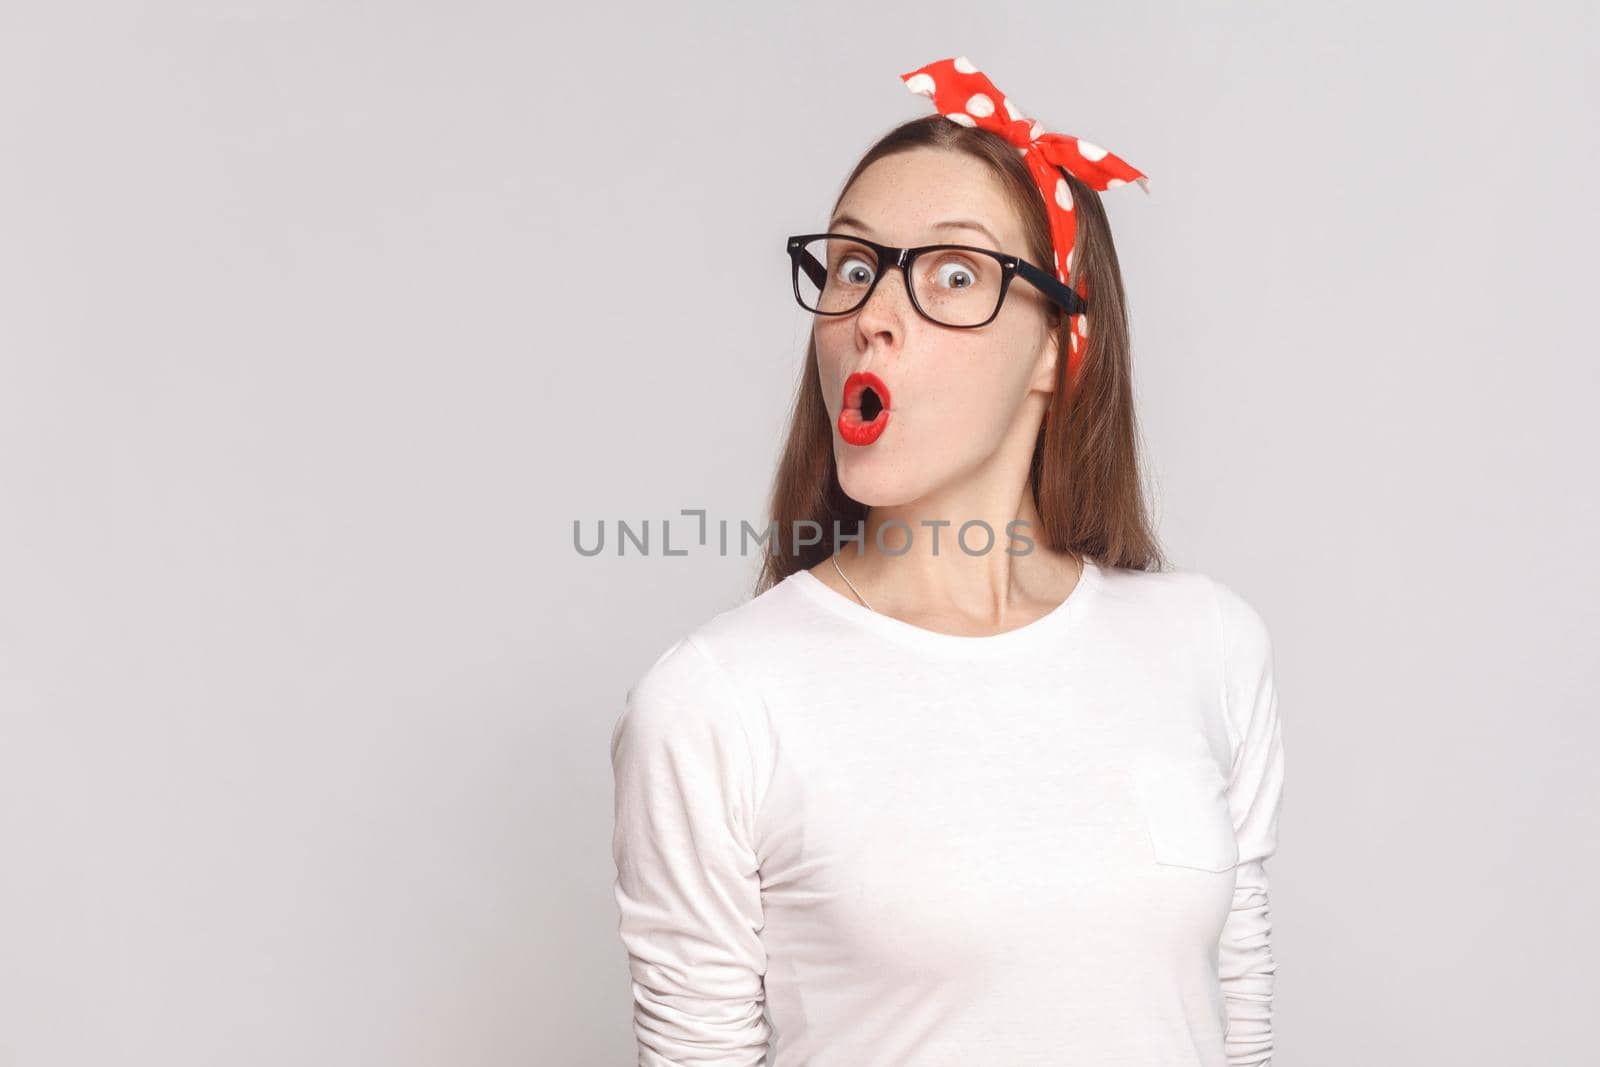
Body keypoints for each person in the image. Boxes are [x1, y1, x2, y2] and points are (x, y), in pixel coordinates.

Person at [608, 56, 1285, 1067]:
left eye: (954, 274)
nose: (873, 312)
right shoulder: (716, 699)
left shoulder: (1209, 645)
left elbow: (1236, 1018)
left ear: (1060, 345)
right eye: (851, 266)